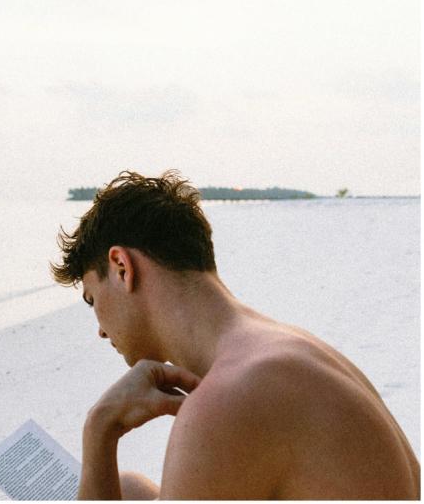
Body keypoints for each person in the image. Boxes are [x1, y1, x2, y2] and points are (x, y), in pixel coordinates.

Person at [51, 170, 420, 500]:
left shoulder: (228, 400)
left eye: (91, 299)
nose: (100, 329)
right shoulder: (281, 350)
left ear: (121, 267)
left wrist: (100, 429)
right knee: (129, 491)